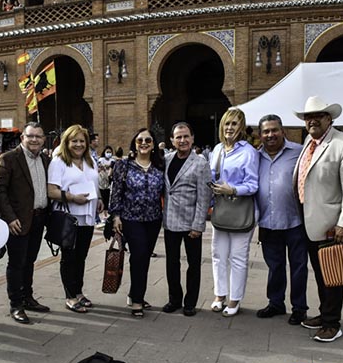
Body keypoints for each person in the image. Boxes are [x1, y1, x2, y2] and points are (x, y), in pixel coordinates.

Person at [294, 96, 343, 342]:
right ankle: (325, 315)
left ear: (329, 118)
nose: (311, 120)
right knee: (320, 273)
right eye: (307, 117)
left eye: (317, 116)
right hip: (310, 221)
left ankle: (333, 324)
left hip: (333, 225)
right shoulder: (309, 142)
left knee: (333, 275)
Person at [0, 122, 50, 325]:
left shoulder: (45, 159)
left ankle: (27, 297)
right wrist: (9, 218)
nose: (34, 139)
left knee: (30, 261)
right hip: (17, 221)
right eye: (30, 136)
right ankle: (16, 304)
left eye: (38, 136)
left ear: (44, 139)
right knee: (17, 263)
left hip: (38, 218)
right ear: (23, 138)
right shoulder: (8, 158)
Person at [255, 114, 308, 325]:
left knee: (298, 266)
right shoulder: (255, 156)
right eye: (266, 131)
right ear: (260, 135)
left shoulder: (298, 151)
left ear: (282, 131)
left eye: (274, 130)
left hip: (294, 220)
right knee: (275, 266)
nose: (270, 135)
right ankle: (276, 303)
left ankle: (299, 308)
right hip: (267, 222)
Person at [47, 125, 103, 313]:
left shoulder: (90, 161)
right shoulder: (59, 161)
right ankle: (70, 296)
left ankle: (78, 291)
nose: (78, 144)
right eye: (75, 141)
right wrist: (72, 197)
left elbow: (93, 183)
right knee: (69, 257)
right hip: (69, 217)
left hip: (87, 216)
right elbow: (52, 190)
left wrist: (100, 199)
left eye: (82, 141)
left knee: (81, 256)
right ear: (67, 142)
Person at [110, 128, 164, 317]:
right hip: (131, 219)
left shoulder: (159, 166)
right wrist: (115, 216)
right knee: (139, 254)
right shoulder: (124, 166)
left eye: (148, 140)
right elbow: (115, 192)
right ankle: (137, 300)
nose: (143, 143)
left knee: (144, 257)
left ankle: (135, 293)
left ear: (153, 144)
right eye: (140, 140)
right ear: (134, 143)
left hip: (154, 219)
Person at [209, 107, 259, 317]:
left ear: (241, 127)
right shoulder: (218, 149)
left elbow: (254, 184)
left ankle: (234, 299)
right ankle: (220, 295)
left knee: (238, 257)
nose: (229, 128)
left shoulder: (248, 151)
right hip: (222, 208)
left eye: (234, 123)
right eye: (227, 123)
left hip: (241, 209)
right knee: (218, 254)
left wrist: (233, 189)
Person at [162, 121, 212, 316]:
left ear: (192, 139)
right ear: (172, 140)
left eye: (186, 136)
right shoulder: (166, 159)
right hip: (170, 222)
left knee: (193, 264)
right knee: (172, 263)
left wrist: (198, 225)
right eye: (178, 137)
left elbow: (204, 196)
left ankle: (190, 302)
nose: (182, 140)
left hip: (191, 223)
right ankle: (174, 299)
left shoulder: (200, 163)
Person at [98, 145, 115, 218]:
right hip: (102, 181)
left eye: (110, 152)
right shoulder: (101, 159)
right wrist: (107, 166)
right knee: (102, 196)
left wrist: (107, 166)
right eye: (107, 152)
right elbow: (100, 166)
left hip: (109, 181)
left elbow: (113, 166)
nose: (109, 153)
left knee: (107, 197)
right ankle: (101, 214)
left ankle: (106, 214)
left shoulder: (113, 160)